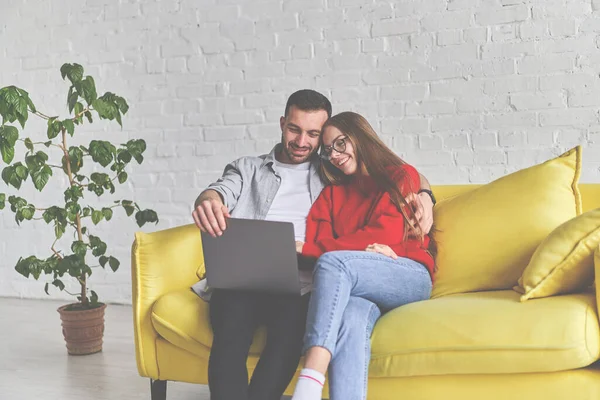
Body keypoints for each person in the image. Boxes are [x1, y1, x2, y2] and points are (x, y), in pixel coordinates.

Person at [192, 90, 435, 400]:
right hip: (248, 279)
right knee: (233, 329)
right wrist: (208, 200)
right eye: (294, 129)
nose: (302, 141)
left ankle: (309, 381)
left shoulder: (329, 175)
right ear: (282, 123)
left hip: (302, 283)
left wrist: (427, 195)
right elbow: (219, 190)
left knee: (292, 332)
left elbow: (399, 174)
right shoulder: (253, 169)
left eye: (314, 135)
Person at [291, 112, 436, 400]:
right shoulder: (331, 196)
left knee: (334, 262)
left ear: (360, 137)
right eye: (328, 150)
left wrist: (305, 249)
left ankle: (309, 383)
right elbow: (324, 243)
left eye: (340, 143)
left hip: (406, 272)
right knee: (350, 317)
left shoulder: (401, 175)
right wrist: (361, 253)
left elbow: (384, 236)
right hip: (360, 285)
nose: (334, 155)